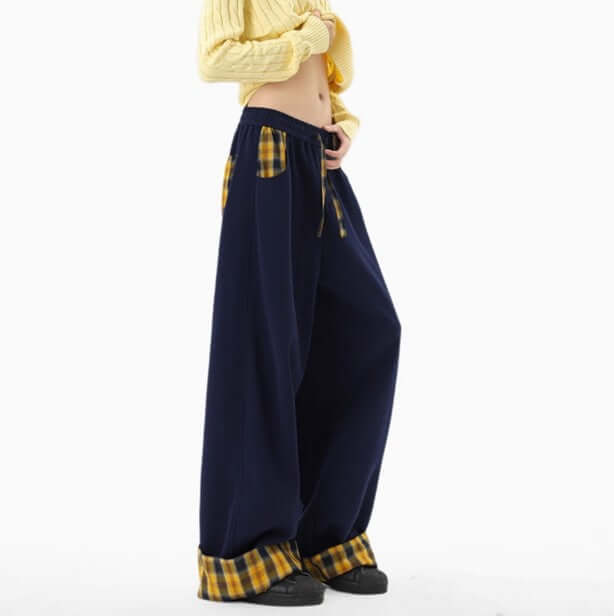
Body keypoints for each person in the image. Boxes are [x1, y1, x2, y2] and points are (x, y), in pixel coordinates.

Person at [196, 0, 401, 606]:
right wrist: (303, 40)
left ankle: (324, 533)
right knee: (264, 344)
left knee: (365, 331)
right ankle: (244, 550)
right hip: (269, 153)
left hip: (317, 157)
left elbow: (321, 78)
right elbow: (215, 61)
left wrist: (342, 122)